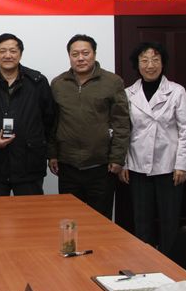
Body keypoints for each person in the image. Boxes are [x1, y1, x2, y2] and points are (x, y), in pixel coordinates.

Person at [119, 42, 186, 252]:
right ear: (137, 64)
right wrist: (123, 163)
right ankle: (144, 260)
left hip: (169, 166)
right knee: (141, 219)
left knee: (169, 219)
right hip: (138, 165)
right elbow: (123, 130)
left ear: (163, 63)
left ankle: (169, 260)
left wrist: (182, 165)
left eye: (155, 60)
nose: (150, 65)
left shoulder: (177, 92)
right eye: (144, 60)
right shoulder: (128, 93)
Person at [48, 34, 130, 219]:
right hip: (68, 165)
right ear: (69, 56)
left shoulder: (112, 82)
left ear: (94, 54)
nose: (80, 58)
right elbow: (53, 121)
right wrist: (52, 153)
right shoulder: (58, 84)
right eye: (75, 54)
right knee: (70, 219)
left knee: (99, 220)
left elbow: (121, 122)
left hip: (101, 165)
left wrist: (117, 157)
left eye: (85, 53)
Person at [0, 34, 55, 195]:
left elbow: (49, 119)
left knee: (30, 210)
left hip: (29, 163)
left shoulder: (37, 82)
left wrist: (50, 152)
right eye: (2, 51)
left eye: (13, 51)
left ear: (20, 54)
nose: (8, 55)